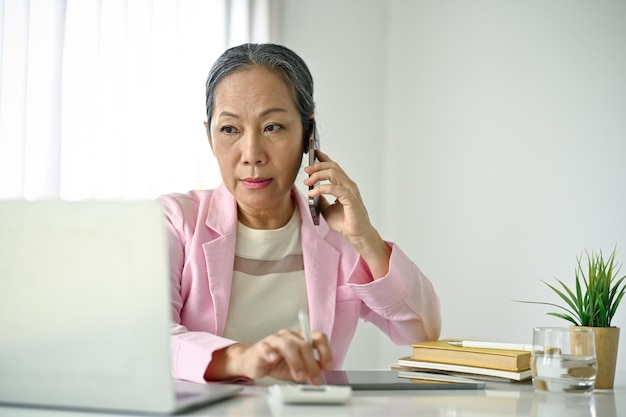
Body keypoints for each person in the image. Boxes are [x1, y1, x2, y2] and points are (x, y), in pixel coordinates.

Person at [159, 43, 441, 385]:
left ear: (307, 133)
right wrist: (243, 358)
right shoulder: (174, 221)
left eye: (273, 127)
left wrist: (365, 238)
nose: (251, 155)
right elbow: (152, 339)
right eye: (230, 129)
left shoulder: (336, 231)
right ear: (210, 137)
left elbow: (422, 330)